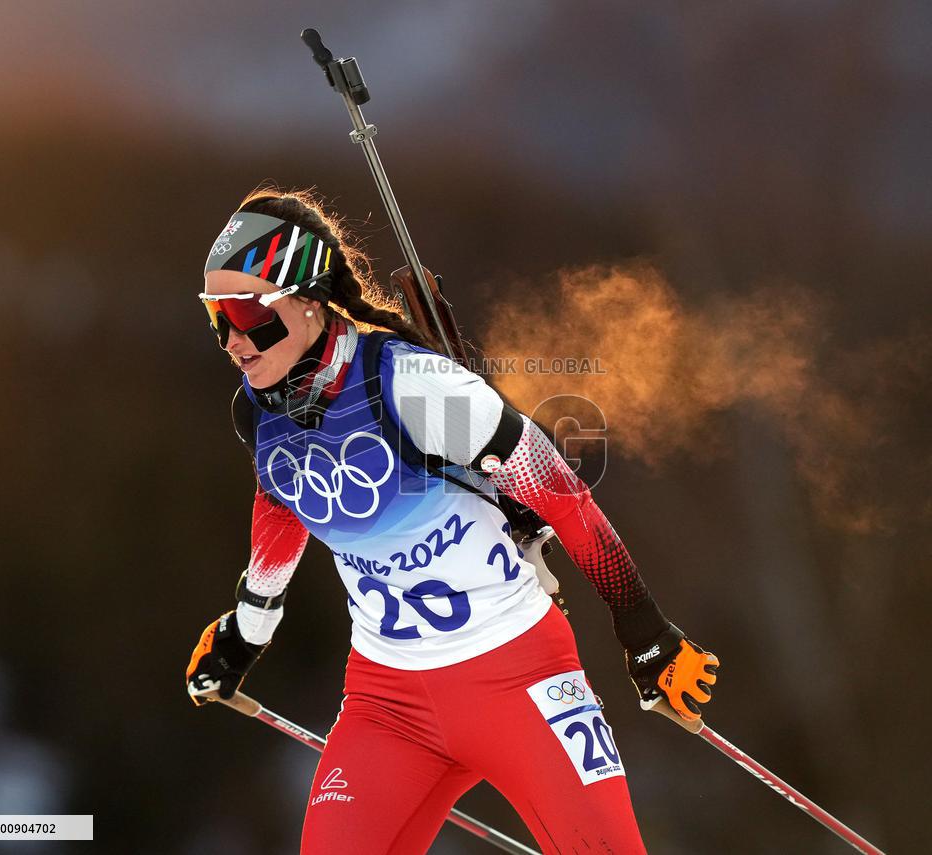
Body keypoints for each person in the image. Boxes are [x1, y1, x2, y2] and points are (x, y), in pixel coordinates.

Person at [185, 187, 719, 854]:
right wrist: (245, 633)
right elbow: (283, 503)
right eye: (216, 317)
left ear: (310, 301)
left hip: (517, 678)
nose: (234, 341)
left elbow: (563, 494)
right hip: (387, 701)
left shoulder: (414, 385)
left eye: (248, 313)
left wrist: (645, 631)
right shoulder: (258, 410)